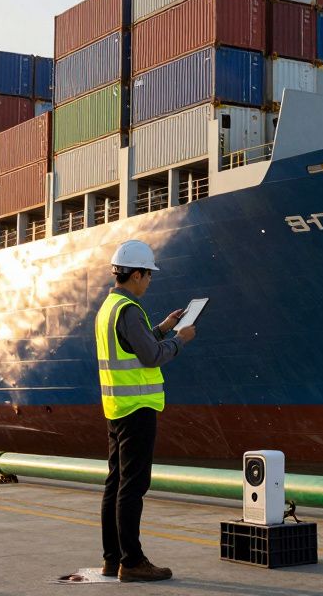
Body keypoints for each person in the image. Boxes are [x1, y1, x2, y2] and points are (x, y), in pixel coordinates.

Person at [96, 239, 195, 582]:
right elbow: (152, 356)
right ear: (136, 274)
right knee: (133, 487)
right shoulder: (130, 309)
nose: (150, 281)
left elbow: (136, 345)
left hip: (116, 408)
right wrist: (180, 341)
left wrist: (165, 327)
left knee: (115, 483)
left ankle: (112, 559)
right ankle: (133, 562)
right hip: (137, 407)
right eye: (148, 275)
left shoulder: (108, 309)